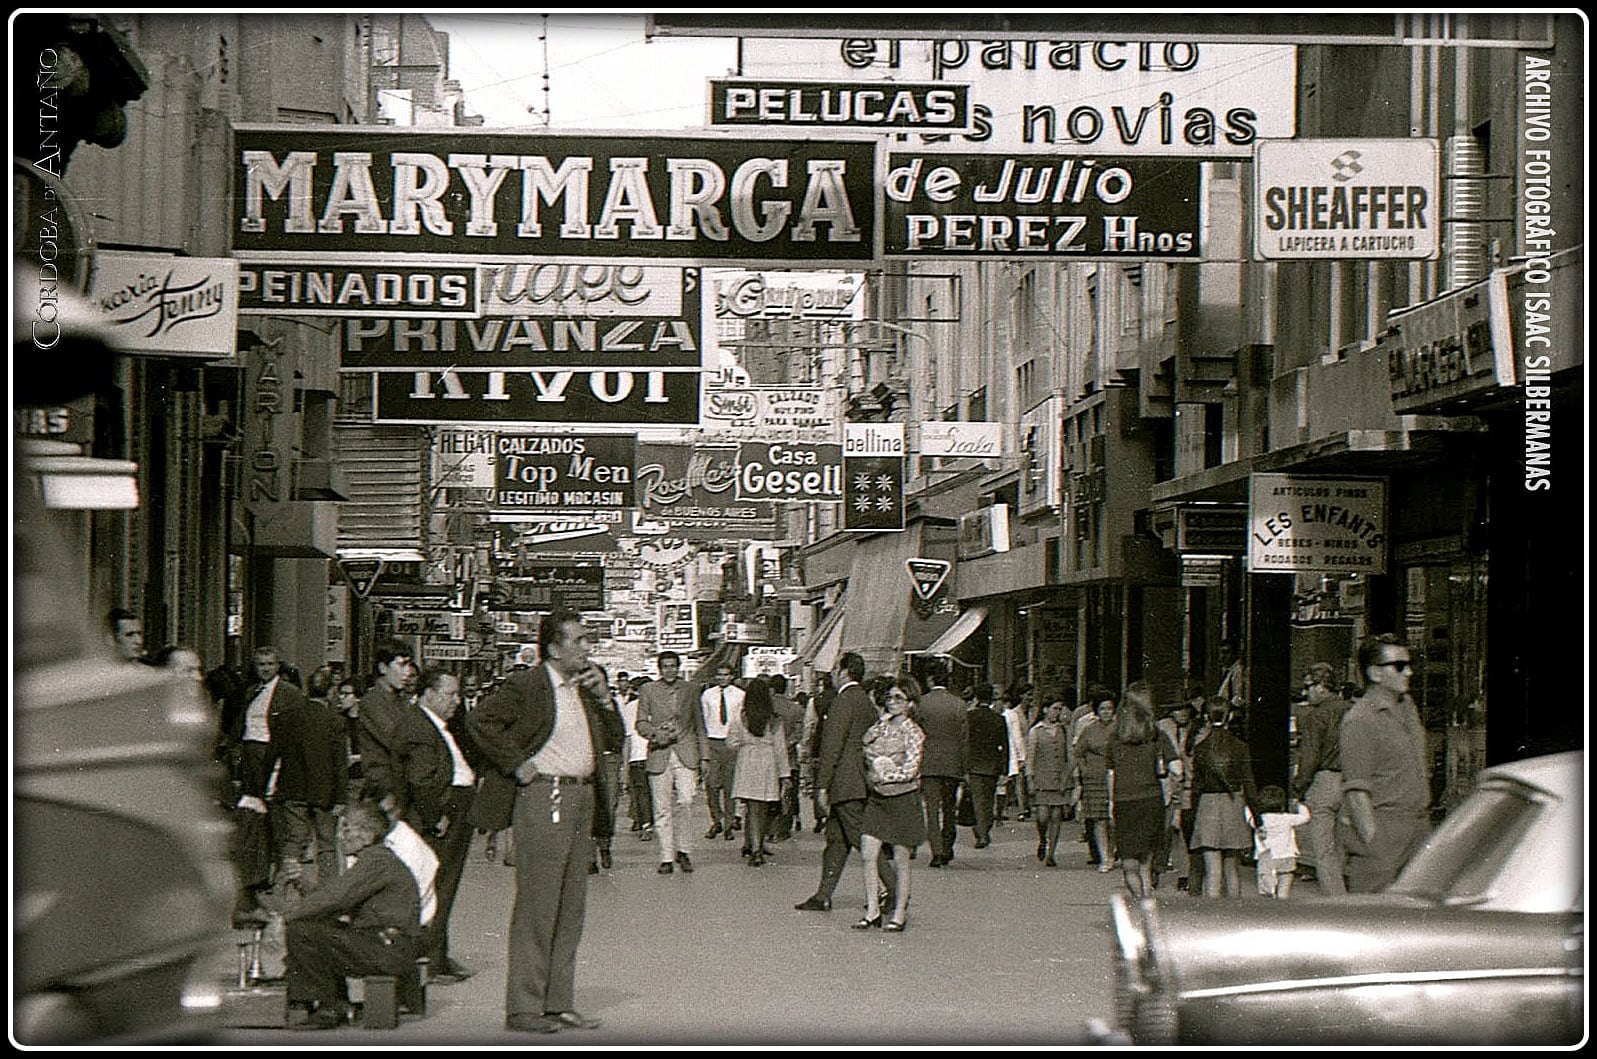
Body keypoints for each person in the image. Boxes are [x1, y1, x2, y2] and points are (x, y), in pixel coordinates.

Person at [465, 610, 624, 1035]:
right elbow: (480, 721)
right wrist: (517, 764)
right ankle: (523, 1007)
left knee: (571, 905)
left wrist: (607, 700)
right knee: (538, 903)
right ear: (554, 648)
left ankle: (558, 1002)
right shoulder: (528, 685)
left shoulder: (585, 688)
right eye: (578, 640)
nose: (586, 647)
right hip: (544, 796)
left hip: (582, 797)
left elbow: (614, 738)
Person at [284, 800, 437, 1030]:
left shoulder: (375, 861)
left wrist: (288, 916)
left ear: (366, 834)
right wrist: (304, 887)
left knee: (301, 930)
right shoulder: (376, 859)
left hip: (386, 947)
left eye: (347, 828)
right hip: (388, 944)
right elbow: (334, 896)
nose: (341, 836)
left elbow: (336, 898)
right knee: (317, 928)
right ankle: (334, 1002)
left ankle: (329, 1006)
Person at [389, 667, 477, 983]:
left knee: (444, 886)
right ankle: (431, 959)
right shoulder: (419, 727)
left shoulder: (437, 725)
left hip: (453, 810)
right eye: (449, 694)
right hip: (440, 815)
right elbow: (420, 779)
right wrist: (434, 816)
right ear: (428, 693)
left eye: (458, 694)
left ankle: (437, 954)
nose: (456, 701)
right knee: (438, 886)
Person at [795, 652, 896, 913]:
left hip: (844, 783)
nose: (831, 674)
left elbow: (832, 746)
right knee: (837, 841)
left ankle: (895, 890)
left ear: (844, 671)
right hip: (859, 780)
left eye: (834, 669)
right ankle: (823, 894)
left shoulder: (842, 702)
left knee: (862, 840)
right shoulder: (864, 701)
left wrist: (822, 784)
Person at [1339, 634, 1430, 893]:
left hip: (1418, 830)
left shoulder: (1407, 707)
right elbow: (1357, 794)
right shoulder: (1360, 721)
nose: (1409, 672)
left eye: (1409, 664)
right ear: (1375, 674)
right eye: (1399, 666)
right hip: (1385, 833)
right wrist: (1376, 847)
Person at [228, 645, 306, 922]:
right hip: (250, 755)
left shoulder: (290, 694)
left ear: (278, 666)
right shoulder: (252, 692)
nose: (265, 669)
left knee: (273, 815)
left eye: (270, 664)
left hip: (270, 755)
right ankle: (257, 878)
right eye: (261, 664)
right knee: (253, 815)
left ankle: (271, 874)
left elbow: (296, 731)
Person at [274, 665, 350, 893]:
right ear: (331, 691)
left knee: (293, 841)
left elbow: (274, 753)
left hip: (293, 789)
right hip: (324, 792)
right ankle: (328, 894)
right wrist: (341, 797)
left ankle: (287, 889)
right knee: (327, 846)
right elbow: (340, 763)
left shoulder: (289, 717)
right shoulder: (335, 721)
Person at [857, 676, 926, 932]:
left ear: (911, 703)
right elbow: (865, 743)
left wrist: (887, 775)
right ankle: (873, 910)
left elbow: (911, 767)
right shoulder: (881, 726)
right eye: (890, 697)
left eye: (899, 698)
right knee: (868, 853)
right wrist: (881, 725)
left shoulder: (914, 732)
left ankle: (899, 913)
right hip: (878, 798)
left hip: (902, 798)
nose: (893, 702)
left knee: (901, 858)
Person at [633, 650, 707, 875]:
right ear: (659, 669)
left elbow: (699, 724)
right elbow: (640, 722)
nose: (669, 670)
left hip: (686, 752)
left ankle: (683, 850)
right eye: (665, 666)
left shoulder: (691, 690)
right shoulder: (648, 690)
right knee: (661, 807)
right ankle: (666, 856)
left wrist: (705, 756)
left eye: (673, 666)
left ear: (678, 667)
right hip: (659, 753)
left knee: (686, 800)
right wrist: (656, 734)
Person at [1105, 684, 1179, 898]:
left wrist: (1111, 802)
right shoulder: (1157, 735)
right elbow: (1176, 768)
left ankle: (1140, 900)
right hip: (1151, 799)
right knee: (1146, 862)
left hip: (1124, 801)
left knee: (1129, 863)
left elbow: (1110, 774)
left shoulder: (1114, 738)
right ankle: (1147, 899)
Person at [1188, 697, 1258, 898]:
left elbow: (1196, 787)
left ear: (1206, 718)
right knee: (1232, 869)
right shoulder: (1240, 746)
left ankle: (1212, 918)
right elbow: (1249, 783)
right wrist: (1257, 816)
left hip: (1207, 806)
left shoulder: (1200, 748)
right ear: (1230, 716)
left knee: (1213, 871)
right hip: (1233, 802)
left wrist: (1193, 817)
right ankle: (1233, 915)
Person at [1293, 672, 1351, 894]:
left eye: (1308, 687)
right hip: (1351, 779)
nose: (1305, 692)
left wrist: (1299, 786)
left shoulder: (1316, 716)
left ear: (1322, 687)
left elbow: (1309, 757)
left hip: (1325, 780)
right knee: (1342, 843)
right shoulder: (1353, 710)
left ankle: (1336, 898)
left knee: (1324, 848)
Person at [728, 677, 791, 867]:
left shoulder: (741, 716)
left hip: (746, 761)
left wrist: (743, 743)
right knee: (762, 807)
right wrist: (785, 775)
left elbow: (731, 742)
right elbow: (780, 749)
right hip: (767, 762)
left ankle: (751, 845)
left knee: (751, 806)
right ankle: (757, 847)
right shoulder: (774, 720)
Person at [913, 659, 968, 868]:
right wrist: (964, 767)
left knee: (932, 809)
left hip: (929, 763)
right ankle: (948, 844)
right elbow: (964, 739)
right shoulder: (959, 704)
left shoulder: (922, 703)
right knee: (949, 807)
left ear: (930, 679)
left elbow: (916, 735)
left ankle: (936, 851)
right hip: (952, 764)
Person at [357, 640, 418, 813]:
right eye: (401, 665)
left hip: (401, 785)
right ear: (383, 668)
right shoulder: (373, 702)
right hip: (385, 789)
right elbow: (398, 739)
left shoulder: (400, 700)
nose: (407, 673)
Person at [1156, 692, 1202, 892]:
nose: (1182, 713)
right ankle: (1156, 869)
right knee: (1164, 831)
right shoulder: (1162, 727)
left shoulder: (1197, 729)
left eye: (1185, 709)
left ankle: (1185, 873)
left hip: (1189, 787)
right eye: (1177, 709)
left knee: (1182, 831)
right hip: (1167, 785)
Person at [1072, 688, 1118, 871]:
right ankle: (1104, 857)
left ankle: (1114, 852)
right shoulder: (1089, 730)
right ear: (1097, 711)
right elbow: (1078, 753)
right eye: (1102, 709)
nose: (1106, 712)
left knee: (1114, 819)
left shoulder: (1120, 728)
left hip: (1115, 777)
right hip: (1094, 780)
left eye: (1109, 708)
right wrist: (1084, 771)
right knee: (1099, 820)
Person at [1025, 695, 1074, 866]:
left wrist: (1069, 777)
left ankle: (1051, 853)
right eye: (1055, 708)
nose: (1058, 712)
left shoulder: (1064, 730)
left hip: (1059, 778)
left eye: (1060, 709)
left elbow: (1069, 755)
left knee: (1056, 816)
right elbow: (1030, 757)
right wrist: (1029, 778)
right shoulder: (1036, 731)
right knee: (1043, 816)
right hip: (1042, 778)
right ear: (1045, 709)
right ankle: (1042, 839)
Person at [699, 663, 746, 841]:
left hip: (732, 743)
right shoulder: (708, 695)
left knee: (729, 787)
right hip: (712, 742)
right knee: (711, 785)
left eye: (726, 675)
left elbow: (742, 720)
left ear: (732, 676)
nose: (723, 678)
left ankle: (728, 825)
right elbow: (703, 720)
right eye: (719, 675)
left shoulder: (740, 695)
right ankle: (716, 820)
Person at [963, 684, 1008, 850]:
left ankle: (981, 833)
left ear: (976, 697)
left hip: (974, 764)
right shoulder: (998, 718)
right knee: (988, 800)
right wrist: (1004, 768)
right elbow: (1005, 745)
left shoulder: (969, 717)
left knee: (977, 800)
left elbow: (965, 742)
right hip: (992, 764)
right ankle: (984, 829)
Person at [1250, 784, 1311, 899]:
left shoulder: (1259, 820)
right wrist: (1299, 804)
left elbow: (1248, 815)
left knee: (1267, 890)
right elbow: (1305, 817)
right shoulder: (1287, 818)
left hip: (1266, 857)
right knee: (1284, 886)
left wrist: (1251, 805)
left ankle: (1270, 909)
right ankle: (1283, 904)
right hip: (1287, 855)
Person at [614, 674, 654, 843]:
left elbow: (627, 738)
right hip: (642, 755)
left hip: (641, 756)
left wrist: (625, 763)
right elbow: (628, 737)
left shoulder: (631, 707)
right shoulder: (633, 708)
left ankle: (647, 824)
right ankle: (648, 823)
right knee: (647, 793)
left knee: (643, 793)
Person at [767, 674, 806, 840]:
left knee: (769, 794)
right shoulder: (796, 709)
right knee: (788, 794)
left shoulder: (767, 707)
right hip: (790, 759)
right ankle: (783, 828)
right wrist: (787, 745)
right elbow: (799, 734)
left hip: (769, 757)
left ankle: (769, 828)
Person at [997, 682, 1032, 823]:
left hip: (1030, 748)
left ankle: (1022, 808)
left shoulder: (1034, 711)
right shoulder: (1014, 713)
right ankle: (1017, 809)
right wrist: (1020, 755)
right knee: (1015, 781)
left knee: (1020, 781)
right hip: (1017, 750)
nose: (1031, 698)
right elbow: (1016, 736)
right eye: (1029, 695)